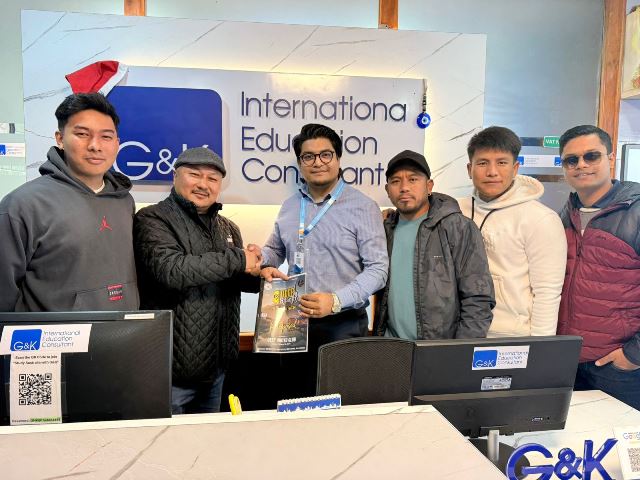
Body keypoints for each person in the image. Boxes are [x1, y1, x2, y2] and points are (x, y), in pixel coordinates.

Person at [261, 123, 388, 397]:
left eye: (325, 154)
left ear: (338, 159)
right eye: (309, 156)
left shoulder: (363, 207)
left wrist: (336, 300)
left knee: (338, 405)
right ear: (300, 163)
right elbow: (274, 249)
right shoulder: (290, 206)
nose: (317, 162)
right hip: (292, 320)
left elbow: (378, 269)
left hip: (342, 324)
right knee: (293, 401)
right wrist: (261, 261)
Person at [134, 147, 261, 413]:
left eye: (213, 179)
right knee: (165, 439)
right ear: (175, 176)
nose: (204, 184)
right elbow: (172, 270)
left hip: (217, 369)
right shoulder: (152, 218)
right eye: (194, 174)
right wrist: (239, 259)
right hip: (171, 374)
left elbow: (231, 279)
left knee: (208, 439)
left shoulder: (228, 227)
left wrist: (259, 274)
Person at [0, 93, 138, 311]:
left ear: (117, 143)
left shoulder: (124, 200)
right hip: (56, 333)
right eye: (82, 134)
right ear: (60, 139)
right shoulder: (23, 205)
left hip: (121, 331)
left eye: (106, 136)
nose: (95, 146)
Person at [557, 125, 640, 410]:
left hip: (618, 368)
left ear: (611, 158)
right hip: (566, 363)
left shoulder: (635, 211)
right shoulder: (563, 216)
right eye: (571, 160)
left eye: (591, 156)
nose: (581, 165)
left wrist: (633, 355)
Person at [373, 150, 494, 340]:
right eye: (396, 181)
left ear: (429, 186)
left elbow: (478, 298)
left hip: (439, 350)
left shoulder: (458, 227)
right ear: (388, 190)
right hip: (392, 348)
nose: (404, 187)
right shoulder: (384, 230)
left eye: (413, 179)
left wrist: (462, 349)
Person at [458, 126, 566, 337]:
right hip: (460, 332)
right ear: (469, 169)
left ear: (515, 168)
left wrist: (540, 348)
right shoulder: (455, 210)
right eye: (482, 163)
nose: (492, 172)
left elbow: (547, 293)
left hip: (512, 338)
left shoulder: (541, 219)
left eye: (501, 162)